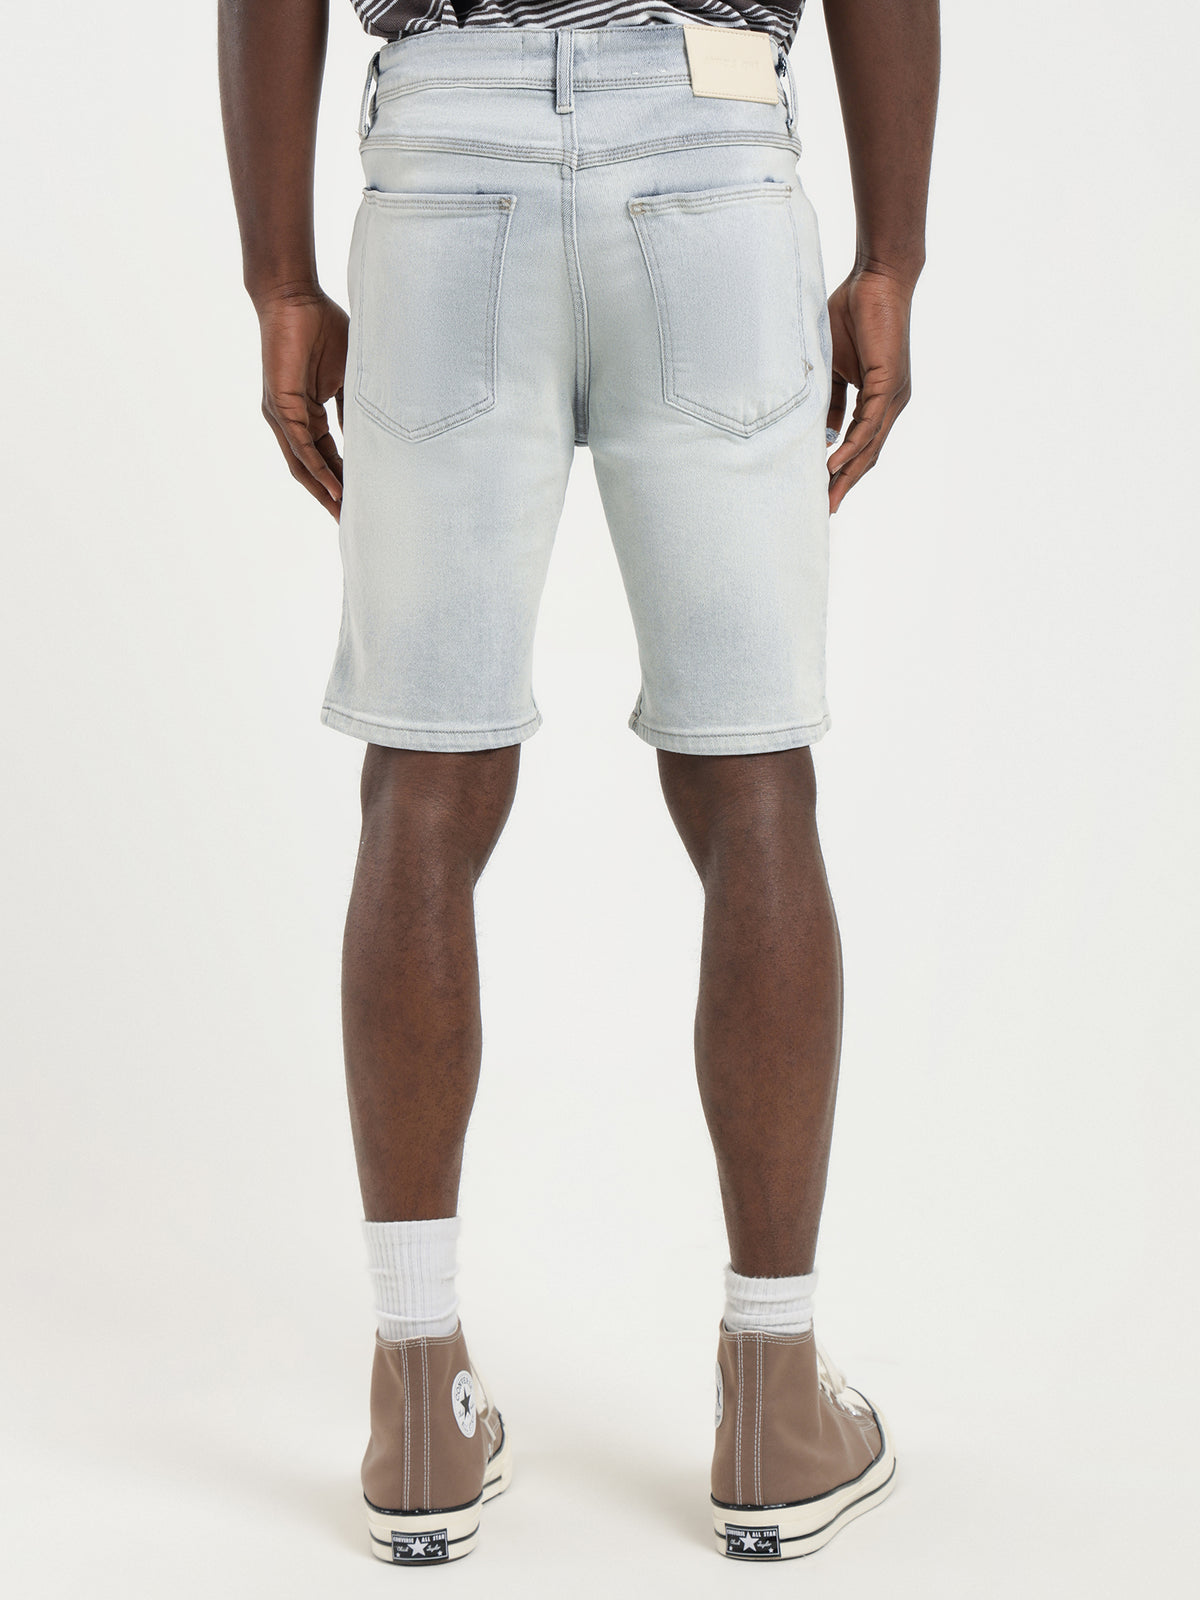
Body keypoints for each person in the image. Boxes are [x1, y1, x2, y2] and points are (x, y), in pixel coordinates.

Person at [218, 0, 938, 1567]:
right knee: (753, 783)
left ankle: (419, 1390)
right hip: (709, 141)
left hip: (446, 153)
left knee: (423, 784)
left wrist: (279, 276)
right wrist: (893, 253)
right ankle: (774, 1392)